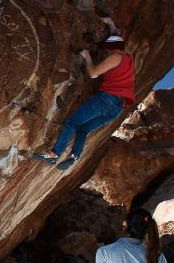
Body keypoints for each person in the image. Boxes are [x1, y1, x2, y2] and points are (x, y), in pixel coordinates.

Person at [33, 17, 136, 170]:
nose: (106, 50)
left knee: (72, 122)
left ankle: (55, 154)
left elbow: (93, 73)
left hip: (105, 100)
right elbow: (116, 34)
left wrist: (87, 57)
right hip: (116, 108)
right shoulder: (128, 56)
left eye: (107, 47)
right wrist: (110, 24)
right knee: (83, 129)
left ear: (111, 46)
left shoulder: (115, 56)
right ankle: (74, 155)